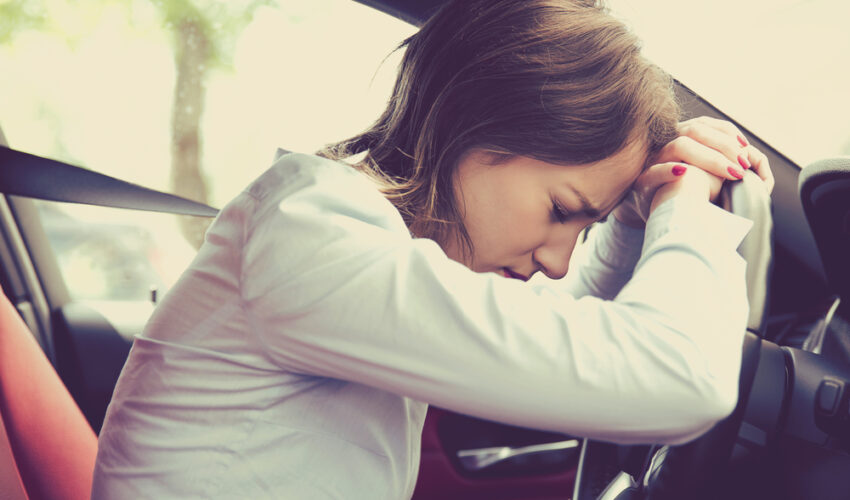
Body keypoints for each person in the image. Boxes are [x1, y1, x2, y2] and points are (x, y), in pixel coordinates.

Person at [91, 0, 774, 498]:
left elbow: (556, 342)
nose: (558, 260)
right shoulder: (312, 236)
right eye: (562, 211)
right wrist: (686, 205)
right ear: (476, 124)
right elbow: (682, 378)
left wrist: (627, 222)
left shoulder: (359, 245)